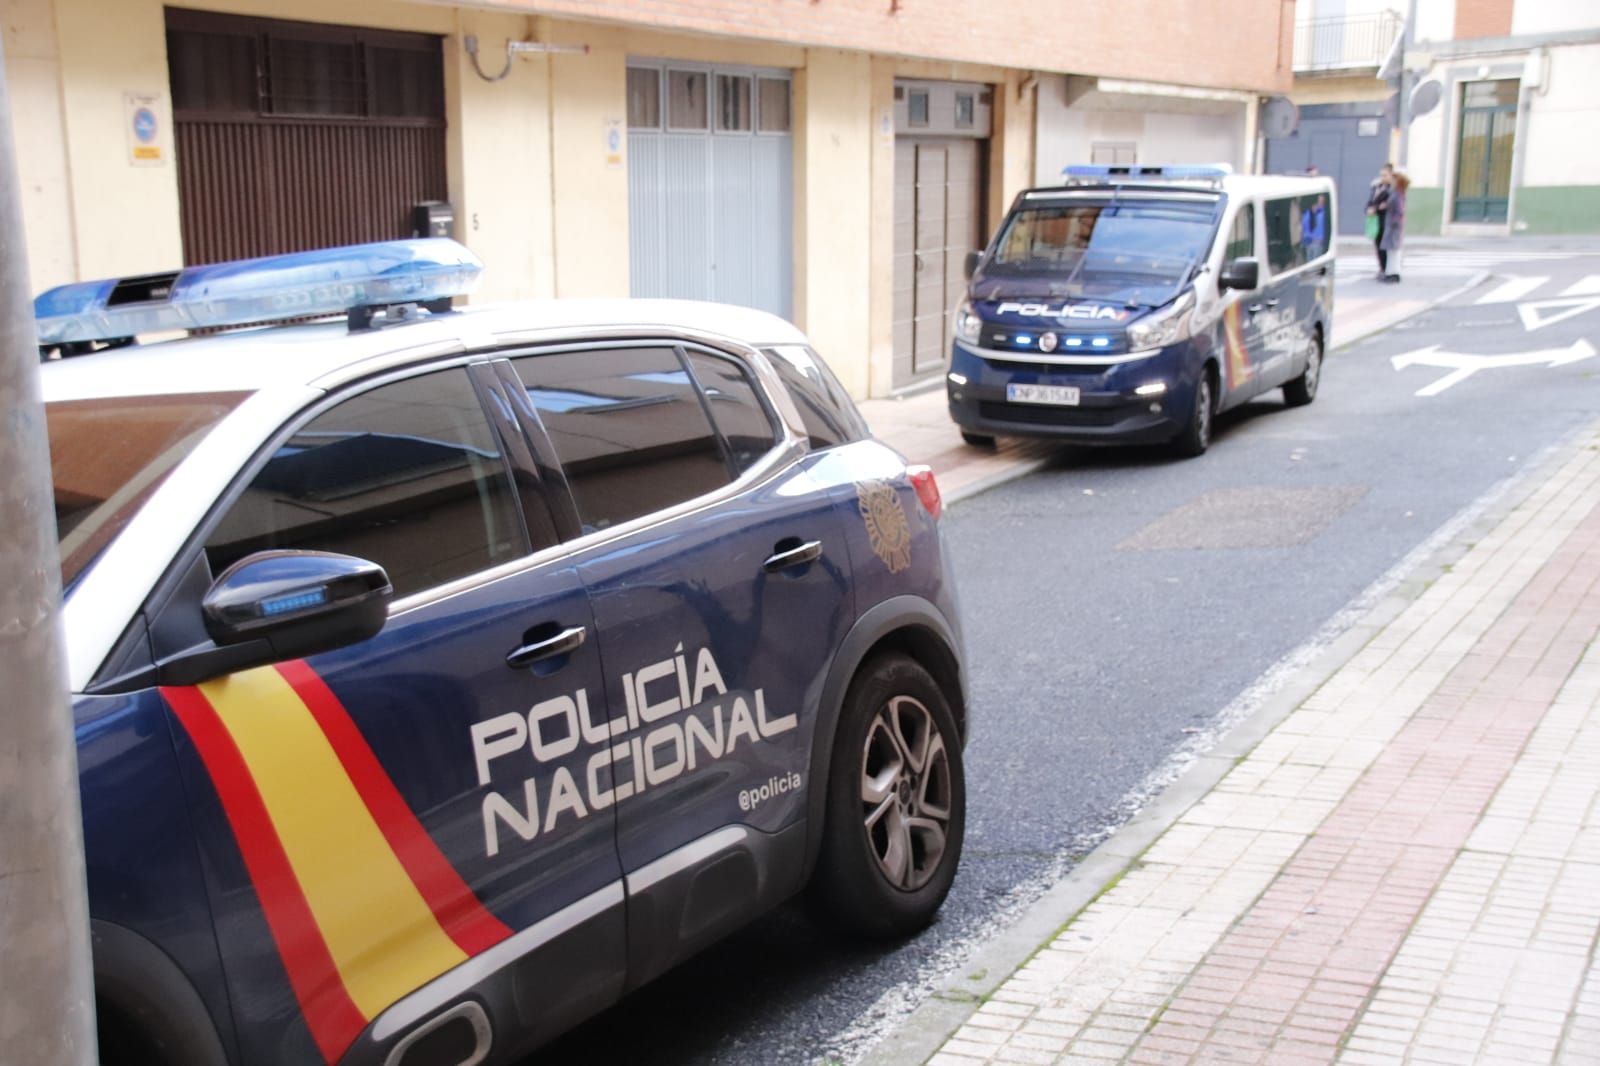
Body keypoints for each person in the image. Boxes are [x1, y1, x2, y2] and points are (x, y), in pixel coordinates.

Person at [1366, 163, 1394, 279]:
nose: (1383, 178)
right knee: (1377, 245)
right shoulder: (1376, 187)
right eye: (1381, 175)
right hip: (1374, 221)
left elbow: (1387, 205)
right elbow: (1370, 201)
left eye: (1385, 175)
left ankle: (1386, 268)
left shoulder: (1391, 190)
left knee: (1384, 247)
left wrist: (1376, 208)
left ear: (1391, 175)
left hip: (1385, 221)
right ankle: (1381, 268)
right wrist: (1368, 209)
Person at [1379, 172, 1408, 282]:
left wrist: (1395, 221)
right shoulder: (1395, 192)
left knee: (1394, 250)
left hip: (1394, 226)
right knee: (1391, 250)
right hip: (1392, 225)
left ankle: (1394, 273)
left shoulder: (1398, 194)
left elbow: (1400, 211)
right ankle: (1390, 272)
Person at [1301, 194, 1329, 260]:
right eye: (1319, 201)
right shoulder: (1308, 213)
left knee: (1316, 262)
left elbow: (1324, 228)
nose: (1320, 203)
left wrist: (1322, 239)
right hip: (1308, 241)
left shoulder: (1324, 213)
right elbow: (1304, 226)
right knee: (1309, 261)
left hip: (1318, 242)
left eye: (1322, 201)